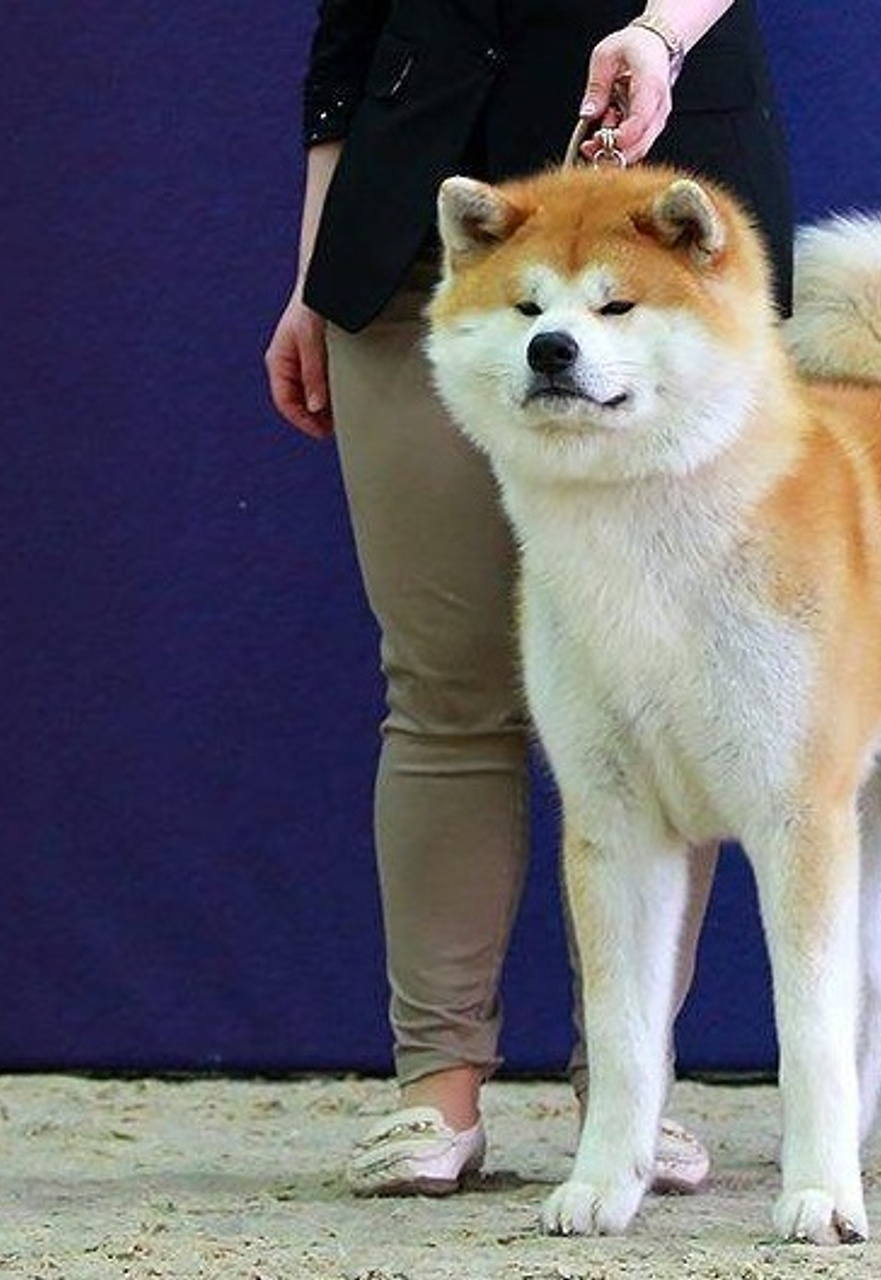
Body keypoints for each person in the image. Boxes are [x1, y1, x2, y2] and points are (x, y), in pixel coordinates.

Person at [264, 0, 793, 1197]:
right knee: (442, 677)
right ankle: (433, 1088)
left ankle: (629, 1086)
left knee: (656, 697)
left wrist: (657, 34)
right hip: (414, 248)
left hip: (660, 233)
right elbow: (347, 44)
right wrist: (317, 272)